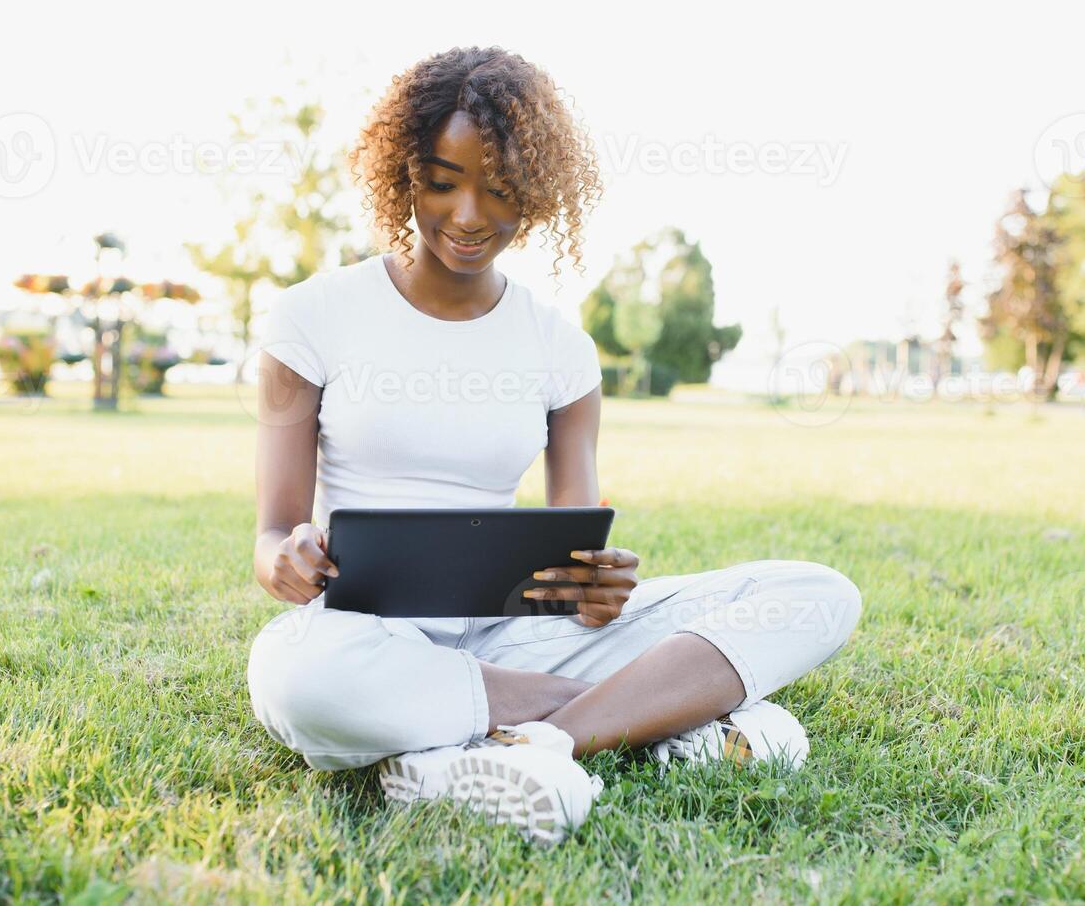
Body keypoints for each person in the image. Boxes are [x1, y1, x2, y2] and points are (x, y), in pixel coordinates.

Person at [246, 46, 863, 845]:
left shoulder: (559, 347)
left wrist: (598, 587)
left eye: (499, 190)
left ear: (536, 195)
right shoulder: (310, 319)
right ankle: (642, 718)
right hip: (367, 632)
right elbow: (271, 537)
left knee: (817, 593)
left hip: (515, 631)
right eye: (443, 182)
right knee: (295, 678)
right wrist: (285, 558)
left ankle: (526, 744)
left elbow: (575, 558)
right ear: (404, 175)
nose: (469, 215)